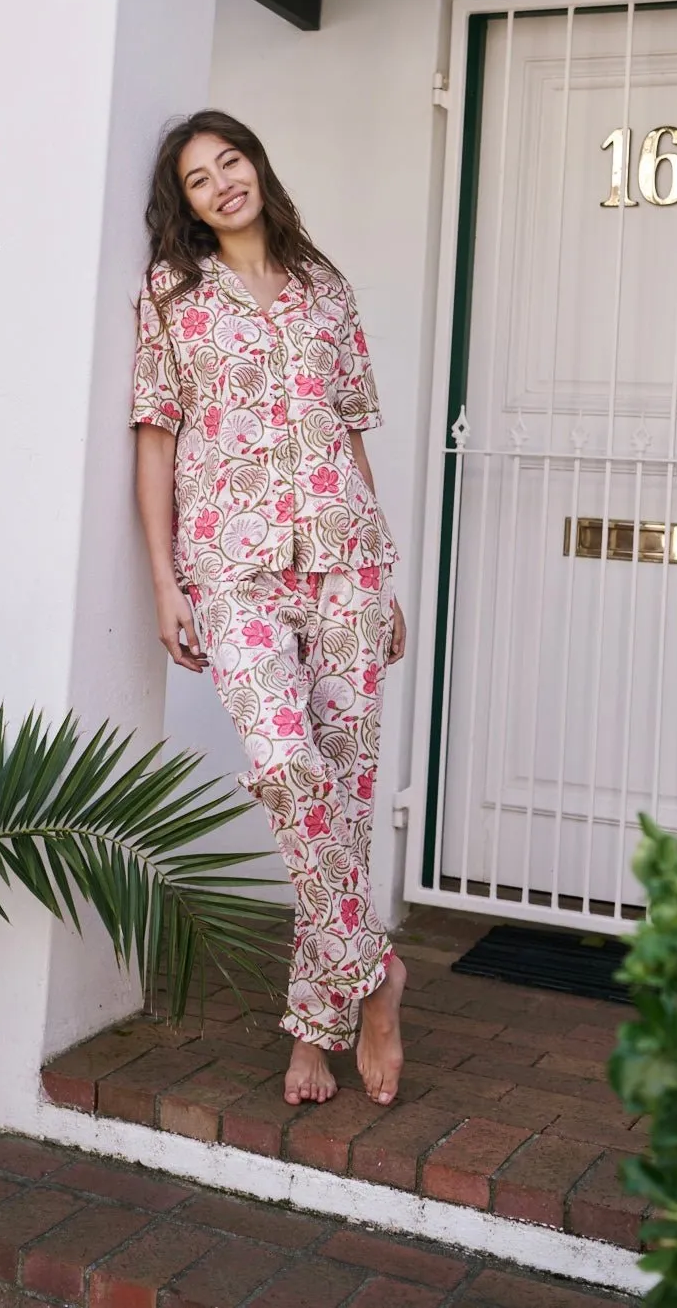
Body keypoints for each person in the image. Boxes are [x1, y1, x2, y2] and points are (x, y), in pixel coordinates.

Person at [130, 110, 407, 1109]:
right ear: (189, 205)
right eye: (200, 179)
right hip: (233, 570)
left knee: (341, 791)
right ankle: (373, 969)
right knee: (289, 772)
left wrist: (387, 574)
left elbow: (347, 433)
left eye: (230, 161)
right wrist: (167, 581)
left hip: (344, 563)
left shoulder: (326, 288)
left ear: (256, 165)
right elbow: (156, 438)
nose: (222, 184)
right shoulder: (172, 296)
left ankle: (315, 1029)